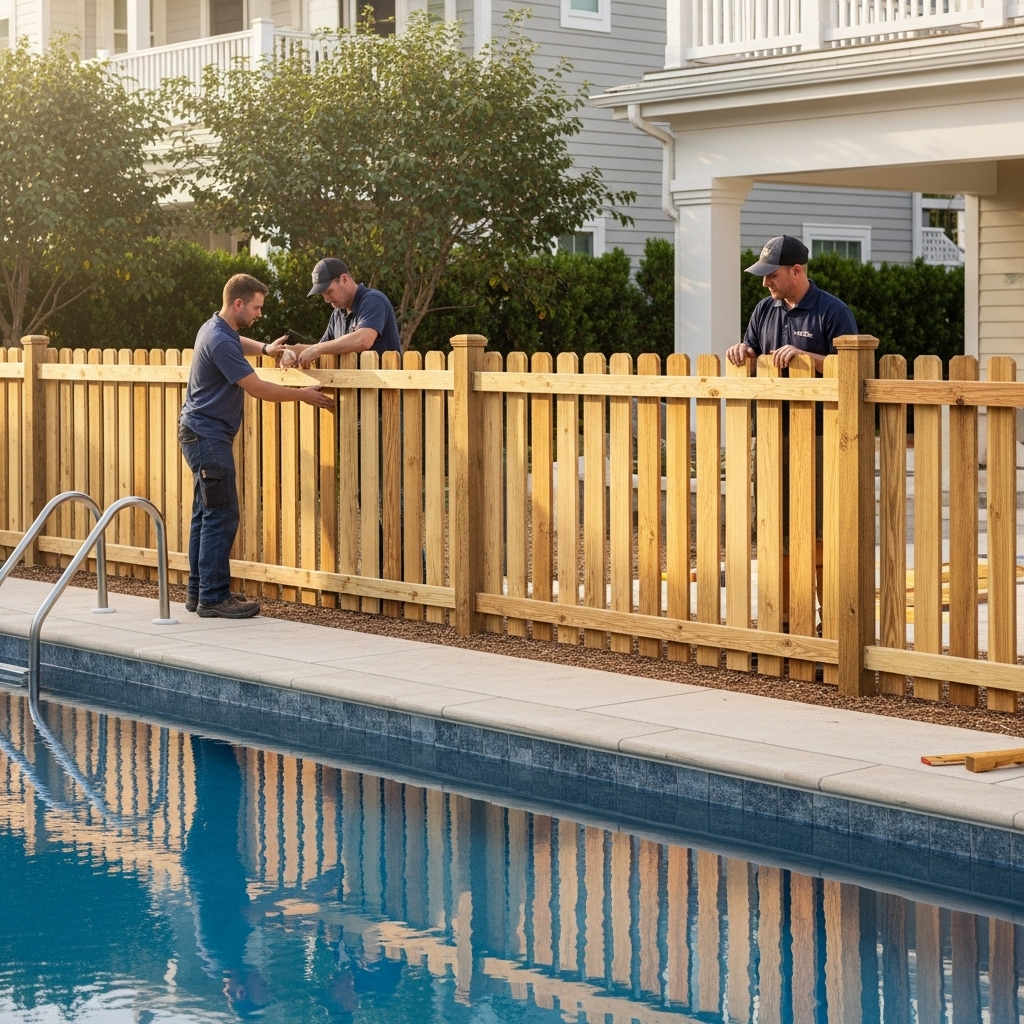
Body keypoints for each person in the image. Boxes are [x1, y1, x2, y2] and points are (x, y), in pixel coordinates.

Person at [179, 274, 333, 619]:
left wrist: (265, 348)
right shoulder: (220, 340)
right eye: (256, 307)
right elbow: (257, 388)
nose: (259, 313)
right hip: (209, 437)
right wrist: (303, 396)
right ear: (238, 304)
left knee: (205, 514)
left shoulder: (215, 329)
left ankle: (198, 592)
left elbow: (238, 342)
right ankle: (214, 598)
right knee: (221, 514)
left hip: (199, 432)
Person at [726, 235, 858, 371]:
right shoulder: (763, 309)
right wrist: (743, 352)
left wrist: (804, 357)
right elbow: (753, 358)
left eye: (772, 275)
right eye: (764, 276)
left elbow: (849, 368)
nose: (765, 283)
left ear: (796, 271)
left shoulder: (835, 312)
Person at [282, 258, 401, 368]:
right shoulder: (337, 314)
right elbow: (324, 348)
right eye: (323, 294)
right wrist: (292, 350)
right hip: (351, 389)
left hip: (384, 389)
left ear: (344, 279)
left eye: (329, 291)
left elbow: (364, 340)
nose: (326, 299)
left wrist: (317, 348)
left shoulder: (374, 300)